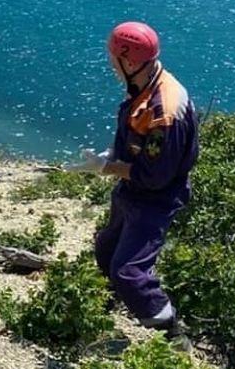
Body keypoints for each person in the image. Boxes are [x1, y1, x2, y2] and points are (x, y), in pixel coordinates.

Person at [73, 21, 199, 347]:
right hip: (133, 191)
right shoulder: (144, 85)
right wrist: (114, 153)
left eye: (115, 59)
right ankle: (102, 307)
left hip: (155, 198)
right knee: (107, 248)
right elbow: (135, 138)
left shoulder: (165, 110)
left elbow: (154, 175)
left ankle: (171, 330)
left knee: (129, 271)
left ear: (129, 61)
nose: (112, 65)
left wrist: (106, 167)